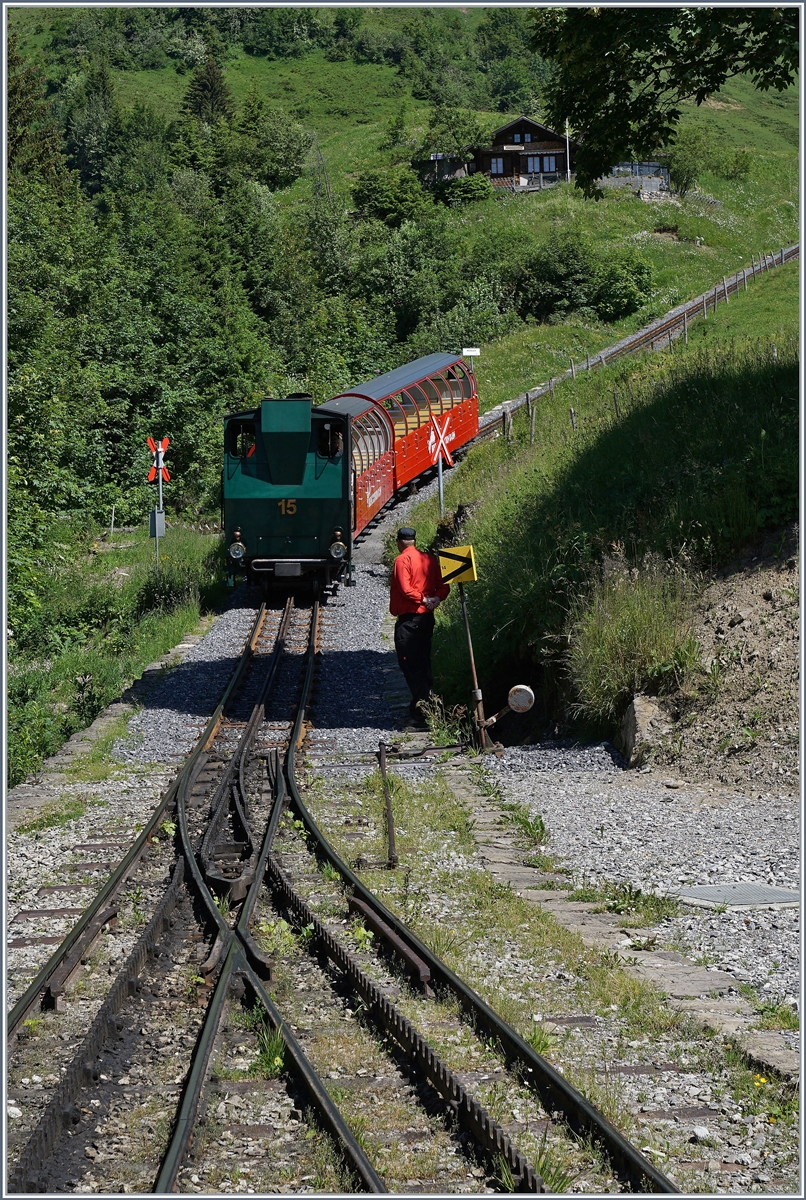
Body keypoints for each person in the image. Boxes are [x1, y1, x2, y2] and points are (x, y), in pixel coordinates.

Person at [389, 527, 450, 727]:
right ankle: (424, 705)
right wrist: (435, 599)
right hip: (426, 619)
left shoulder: (401, 561)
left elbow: (406, 589)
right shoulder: (430, 559)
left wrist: (423, 599)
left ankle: (423, 710)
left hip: (409, 620)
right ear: (414, 541)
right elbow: (444, 586)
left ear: (399, 542)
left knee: (410, 664)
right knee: (423, 662)